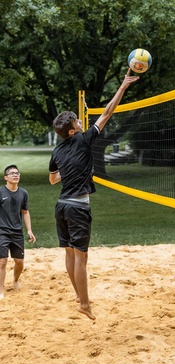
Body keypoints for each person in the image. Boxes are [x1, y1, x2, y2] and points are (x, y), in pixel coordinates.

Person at [49, 72, 140, 320]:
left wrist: (70, 172)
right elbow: (108, 112)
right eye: (78, 122)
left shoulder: (57, 150)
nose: (81, 122)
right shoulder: (83, 139)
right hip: (77, 207)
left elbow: (52, 178)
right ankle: (85, 304)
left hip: (61, 206)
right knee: (81, 257)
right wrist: (122, 85)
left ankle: (79, 295)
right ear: (71, 131)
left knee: (69, 252)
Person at [0, 165, 36, 299]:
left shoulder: (23, 193)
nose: (16, 175)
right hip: (2, 231)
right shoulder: (1, 192)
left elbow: (25, 212)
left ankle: (15, 280)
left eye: (17, 173)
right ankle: (1, 290)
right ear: (6, 177)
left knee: (19, 262)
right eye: (12, 173)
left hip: (17, 232)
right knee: (2, 261)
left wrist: (29, 230)